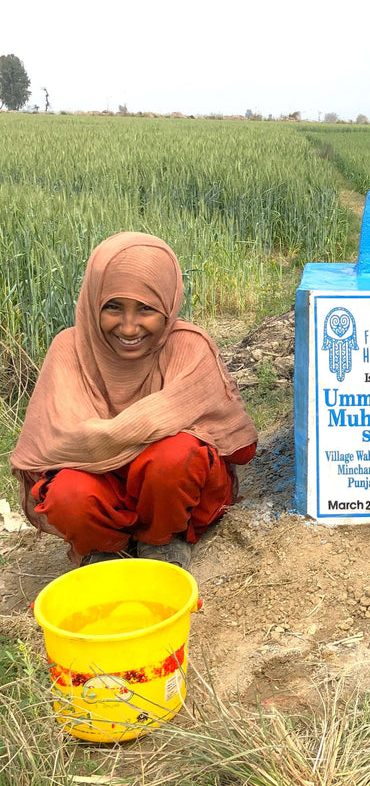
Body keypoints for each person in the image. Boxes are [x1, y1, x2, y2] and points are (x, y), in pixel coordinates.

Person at [10, 232, 258, 570]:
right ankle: (105, 547)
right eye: (113, 307)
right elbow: (47, 454)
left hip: (174, 501)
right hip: (103, 492)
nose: (128, 328)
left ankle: (162, 540)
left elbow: (241, 451)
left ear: (168, 305)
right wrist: (132, 441)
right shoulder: (70, 349)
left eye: (146, 309)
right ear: (92, 300)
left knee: (174, 455)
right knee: (67, 491)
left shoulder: (187, 348)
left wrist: (142, 442)